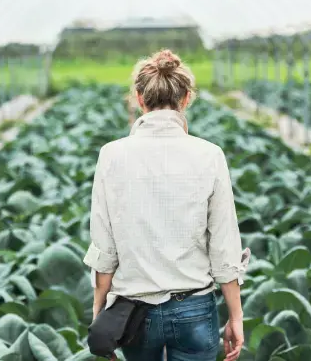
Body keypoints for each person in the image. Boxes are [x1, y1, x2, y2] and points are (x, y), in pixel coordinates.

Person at [84, 49, 246, 361]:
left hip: (133, 312)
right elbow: (224, 247)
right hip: (195, 309)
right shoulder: (210, 154)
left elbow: (104, 248)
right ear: (186, 99)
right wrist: (235, 317)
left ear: (139, 99)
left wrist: (99, 311)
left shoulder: (112, 155)